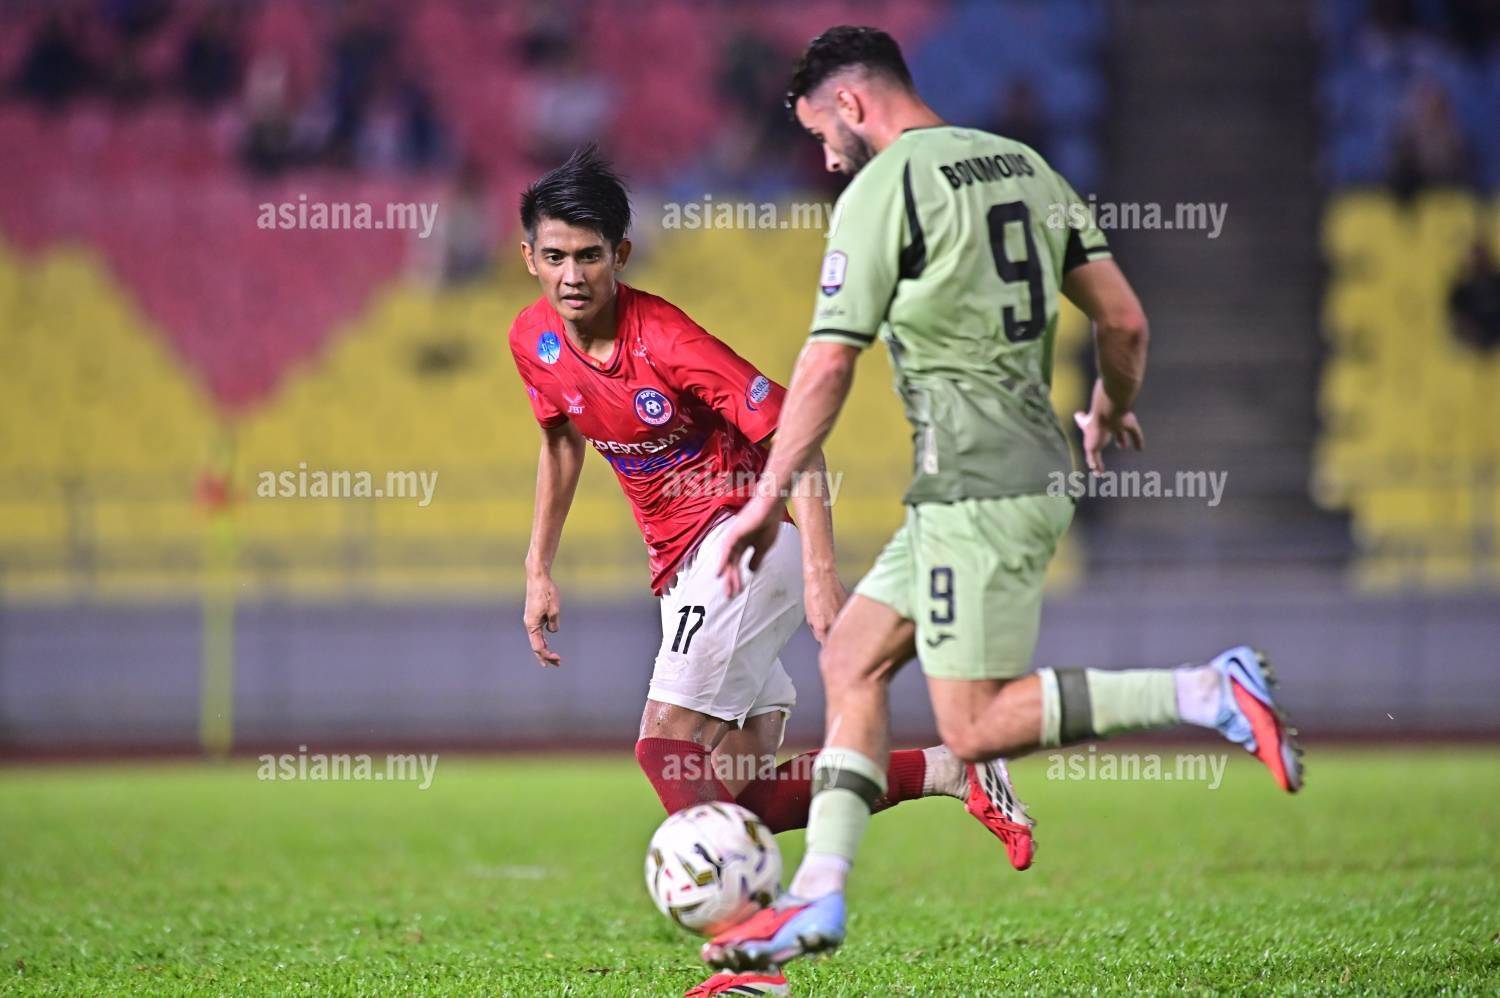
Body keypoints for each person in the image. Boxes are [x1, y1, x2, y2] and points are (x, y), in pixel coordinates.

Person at [702, 26, 1304, 974]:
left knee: (975, 725)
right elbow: (1125, 321)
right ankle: (818, 895)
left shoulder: (882, 193)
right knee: (852, 658)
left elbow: (827, 363)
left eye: (822, 134)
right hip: (1004, 471)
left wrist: (763, 498)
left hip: (978, 483)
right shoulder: (1026, 167)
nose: (826, 159)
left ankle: (1211, 690)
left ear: (853, 104)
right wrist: (1111, 408)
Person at [507, 147, 1040, 998]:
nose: (574, 275)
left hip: (743, 542)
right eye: (556, 256)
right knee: (740, 798)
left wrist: (822, 573)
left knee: (663, 745)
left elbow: (800, 437)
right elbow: (561, 439)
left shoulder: (667, 340)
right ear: (529, 257)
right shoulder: (531, 340)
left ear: (621, 254)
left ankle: (751, 950)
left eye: (591, 255)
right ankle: (951, 769)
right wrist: (539, 565)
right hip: (683, 568)